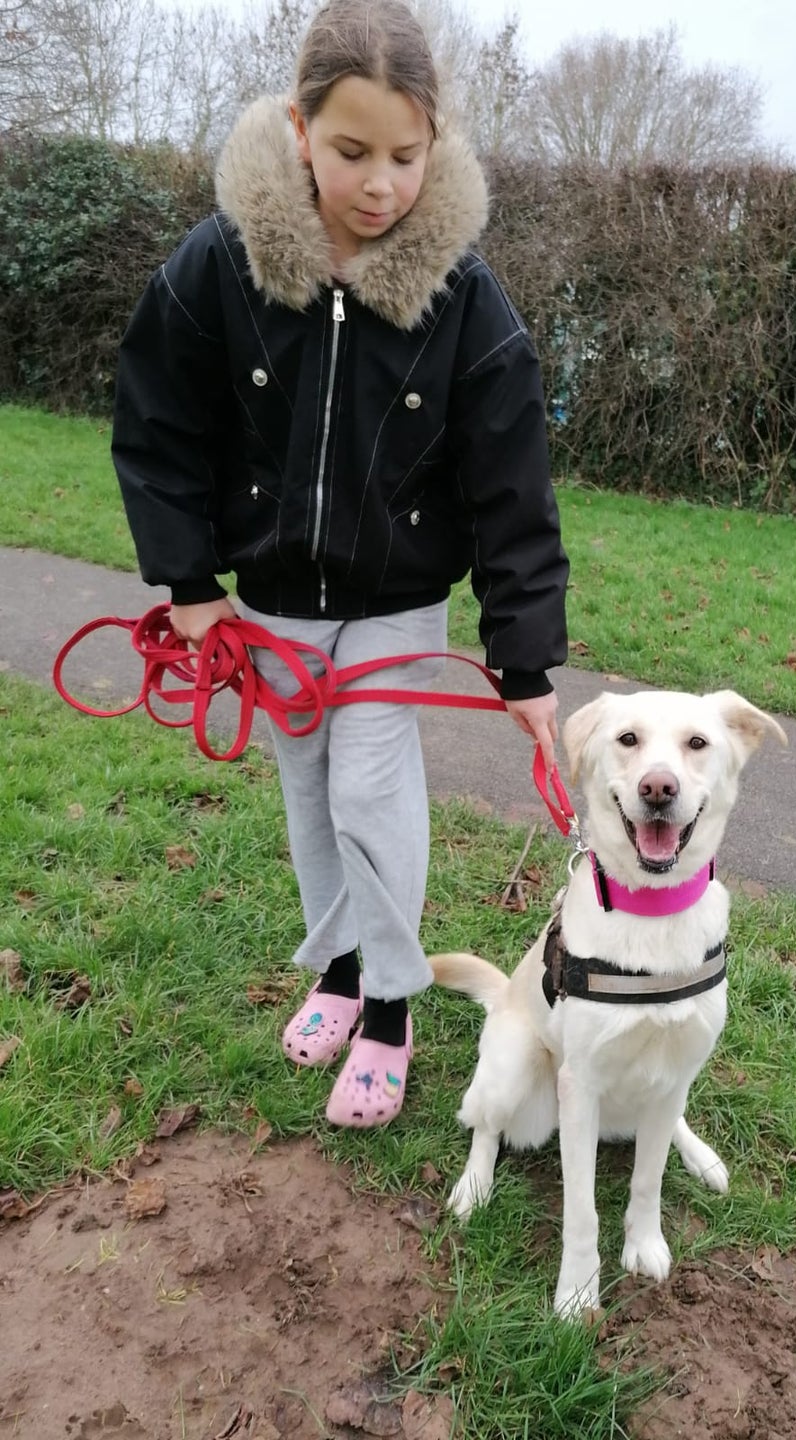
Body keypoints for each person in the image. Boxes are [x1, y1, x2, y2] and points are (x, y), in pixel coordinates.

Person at [112, 0, 569, 1129]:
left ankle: (394, 1005)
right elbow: (159, 421)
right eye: (352, 151)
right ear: (299, 126)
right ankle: (339, 970)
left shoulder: (465, 298)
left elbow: (513, 486)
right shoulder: (221, 262)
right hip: (265, 597)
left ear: (436, 141)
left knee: (370, 784)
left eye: (405, 156)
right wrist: (187, 585)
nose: (379, 183)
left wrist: (524, 662)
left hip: (396, 599)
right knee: (308, 790)